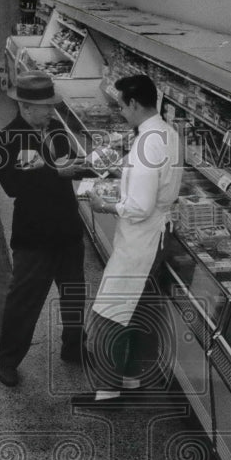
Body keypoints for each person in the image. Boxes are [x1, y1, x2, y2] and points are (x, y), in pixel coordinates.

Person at [73, 74, 184, 406]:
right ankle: (132, 378)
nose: (120, 111)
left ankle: (108, 392)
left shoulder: (148, 142)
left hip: (142, 240)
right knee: (138, 310)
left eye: (121, 105)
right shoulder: (166, 132)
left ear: (135, 103)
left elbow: (139, 206)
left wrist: (103, 204)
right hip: (159, 234)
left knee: (109, 313)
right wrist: (125, 170)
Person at [0, 71, 94, 387]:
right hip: (34, 236)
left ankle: (73, 347)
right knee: (24, 301)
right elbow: (12, 186)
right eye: (46, 106)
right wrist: (57, 172)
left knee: (74, 294)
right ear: (25, 105)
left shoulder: (58, 132)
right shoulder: (7, 139)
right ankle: (8, 360)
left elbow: (72, 162)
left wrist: (99, 165)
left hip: (67, 229)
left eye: (52, 105)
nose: (52, 111)